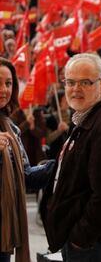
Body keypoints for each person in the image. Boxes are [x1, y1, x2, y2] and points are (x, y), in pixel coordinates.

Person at [40, 53, 101, 262]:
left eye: (85, 82)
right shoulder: (85, 117)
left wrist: (80, 237)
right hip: (86, 240)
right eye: (70, 82)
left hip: (95, 244)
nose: (76, 89)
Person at [0, 57, 54, 262]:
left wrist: (59, 164)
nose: (3, 89)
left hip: (4, 229)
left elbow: (26, 177)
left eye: (8, 83)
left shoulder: (11, 128)